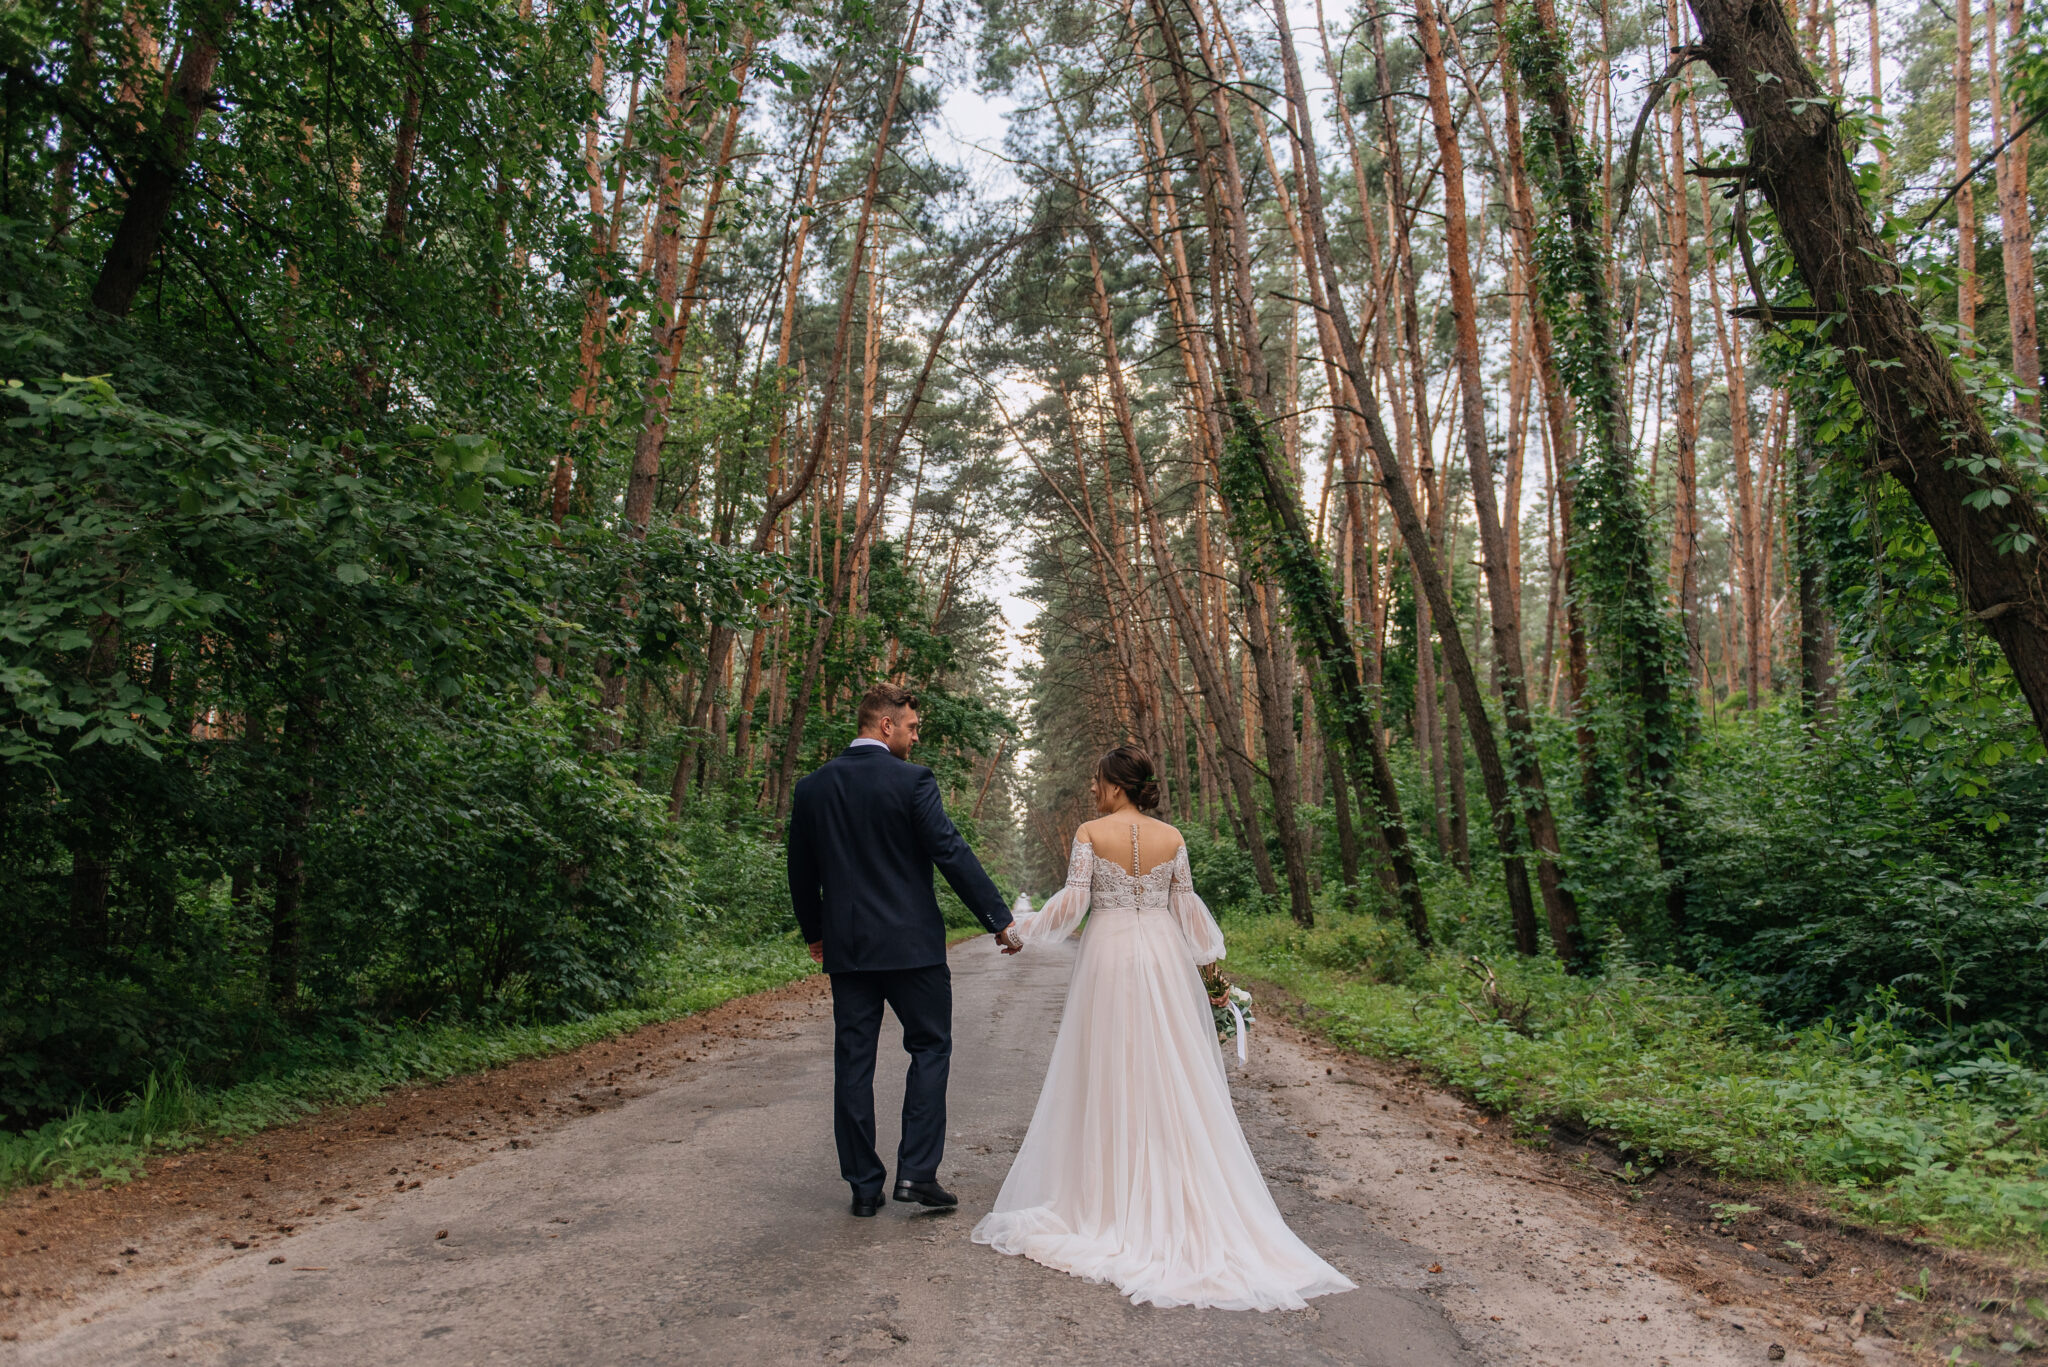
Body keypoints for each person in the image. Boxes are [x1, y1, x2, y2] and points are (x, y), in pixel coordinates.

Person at [971, 745, 1355, 1311]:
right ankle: (1169, 1177)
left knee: (1108, 1064)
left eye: (1097, 780)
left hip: (1108, 957)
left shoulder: (1090, 833)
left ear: (1116, 784)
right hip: (1163, 957)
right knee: (1169, 1065)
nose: (1093, 788)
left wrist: (1019, 932)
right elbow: (1189, 914)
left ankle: (1109, 1192)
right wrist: (1215, 980)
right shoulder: (1172, 837)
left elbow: (1074, 904)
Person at [786, 683, 1022, 1218]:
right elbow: (949, 851)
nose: (916, 739)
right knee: (930, 1048)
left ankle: (863, 1187)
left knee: (853, 1062)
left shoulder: (813, 787)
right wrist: (997, 918)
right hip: (914, 949)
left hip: (849, 950)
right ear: (886, 724)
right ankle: (917, 1174)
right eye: (912, 728)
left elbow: (800, 871)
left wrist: (815, 933)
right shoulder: (912, 780)